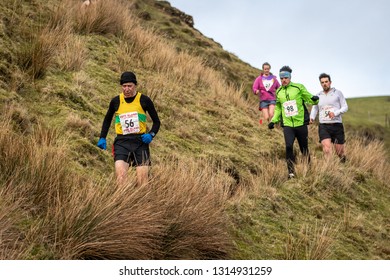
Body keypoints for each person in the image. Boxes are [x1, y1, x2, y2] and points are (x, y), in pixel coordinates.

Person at [97, 71, 160, 187]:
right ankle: (123, 203)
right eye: (124, 86)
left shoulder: (144, 100)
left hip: (140, 142)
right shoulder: (115, 101)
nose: (127, 89)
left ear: (135, 85)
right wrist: (102, 137)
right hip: (121, 142)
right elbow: (107, 120)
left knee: (143, 182)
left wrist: (151, 134)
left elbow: (157, 122)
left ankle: (144, 204)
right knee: (121, 179)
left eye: (129, 86)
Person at [268, 66, 319, 179]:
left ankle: (309, 169)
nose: (283, 80)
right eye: (281, 78)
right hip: (288, 125)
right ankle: (291, 173)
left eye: (285, 78)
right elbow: (278, 108)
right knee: (288, 146)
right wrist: (273, 121)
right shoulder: (279, 91)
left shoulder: (298, 87)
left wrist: (315, 99)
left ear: (290, 77)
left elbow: (309, 98)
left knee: (304, 148)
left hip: (300, 124)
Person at [310, 73, 348, 162]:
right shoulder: (318, 95)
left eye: (326, 82)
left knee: (340, 152)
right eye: (322, 82)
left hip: (337, 125)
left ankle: (344, 163)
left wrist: (335, 113)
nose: (324, 84)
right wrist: (312, 117)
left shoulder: (338, 93)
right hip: (324, 126)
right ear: (320, 83)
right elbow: (315, 108)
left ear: (330, 82)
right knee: (327, 150)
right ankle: (329, 169)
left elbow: (345, 107)